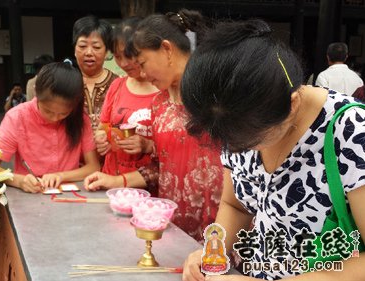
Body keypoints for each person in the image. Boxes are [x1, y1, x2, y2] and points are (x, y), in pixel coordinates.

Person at [181, 20, 365, 280]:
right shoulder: (236, 120)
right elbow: (236, 206)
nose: (236, 150)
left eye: (248, 142)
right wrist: (214, 251)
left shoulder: (351, 132)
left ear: (292, 105)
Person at [84, 10, 223, 241]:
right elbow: (160, 167)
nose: (143, 73)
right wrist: (115, 182)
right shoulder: (159, 103)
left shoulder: (215, 94)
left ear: (167, 49)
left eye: (143, 63)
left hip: (217, 225)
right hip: (173, 223)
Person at [0, 62, 100, 191]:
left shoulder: (81, 119)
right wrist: (18, 180)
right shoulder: (17, 117)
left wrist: (60, 176)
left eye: (63, 113)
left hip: (70, 194)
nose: (54, 118)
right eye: (48, 111)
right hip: (28, 194)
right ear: (37, 95)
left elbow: (93, 166)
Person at [95, 17, 160, 176]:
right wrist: (102, 138)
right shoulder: (117, 86)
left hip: (147, 185)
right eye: (117, 56)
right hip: (112, 179)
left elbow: (175, 149)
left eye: (129, 55)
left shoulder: (163, 89)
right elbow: (103, 127)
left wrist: (148, 145)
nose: (123, 64)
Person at [73, 15, 118, 130]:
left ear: (107, 52)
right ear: (74, 50)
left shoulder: (118, 84)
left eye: (96, 47)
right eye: (82, 46)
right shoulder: (65, 83)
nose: (88, 52)